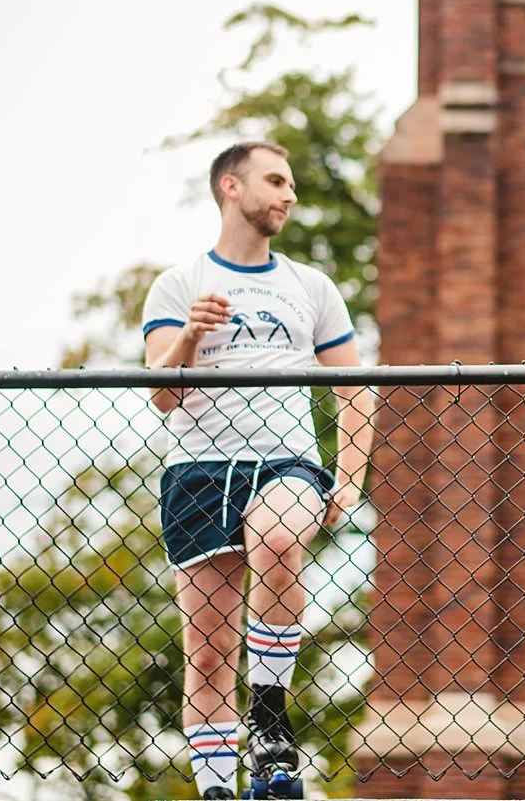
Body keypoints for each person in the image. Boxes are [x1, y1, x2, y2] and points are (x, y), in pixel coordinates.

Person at [141, 141, 376, 799]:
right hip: (197, 469)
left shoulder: (310, 286)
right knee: (208, 653)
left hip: (285, 460)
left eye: (291, 184)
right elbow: (161, 395)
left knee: (277, 538)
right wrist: (190, 337)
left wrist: (348, 477)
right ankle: (221, 789)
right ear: (231, 186)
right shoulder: (179, 283)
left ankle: (270, 718)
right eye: (276, 181)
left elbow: (356, 388)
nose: (289, 195)